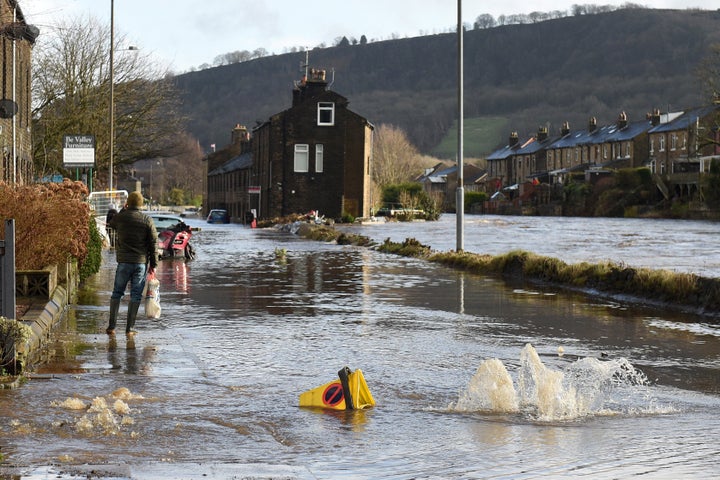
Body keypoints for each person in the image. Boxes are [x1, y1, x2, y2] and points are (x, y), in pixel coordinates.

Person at [107, 191, 158, 336]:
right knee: (135, 295)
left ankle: (112, 326)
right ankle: (129, 329)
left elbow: (111, 223)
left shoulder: (121, 217)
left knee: (117, 293)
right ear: (141, 204)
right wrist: (153, 265)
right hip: (140, 263)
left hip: (123, 262)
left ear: (128, 203)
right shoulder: (147, 220)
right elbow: (154, 243)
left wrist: (124, 209)